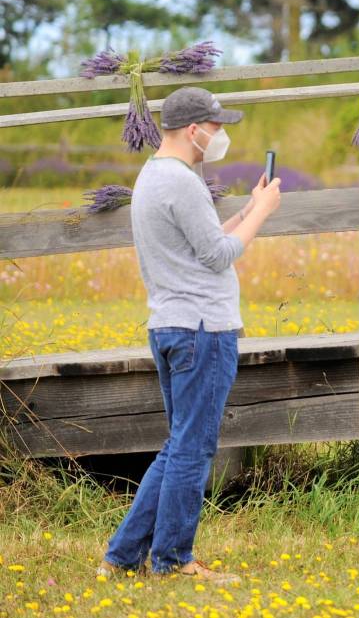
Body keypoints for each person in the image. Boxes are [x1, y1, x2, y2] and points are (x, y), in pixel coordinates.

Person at [95, 86, 281, 583]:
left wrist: (249, 207)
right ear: (193, 129)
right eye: (216, 126)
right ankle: (174, 561)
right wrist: (263, 213)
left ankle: (122, 556)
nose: (221, 135)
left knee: (178, 444)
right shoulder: (181, 181)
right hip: (203, 330)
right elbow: (219, 256)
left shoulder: (156, 177)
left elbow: (209, 240)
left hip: (172, 324)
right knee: (194, 448)